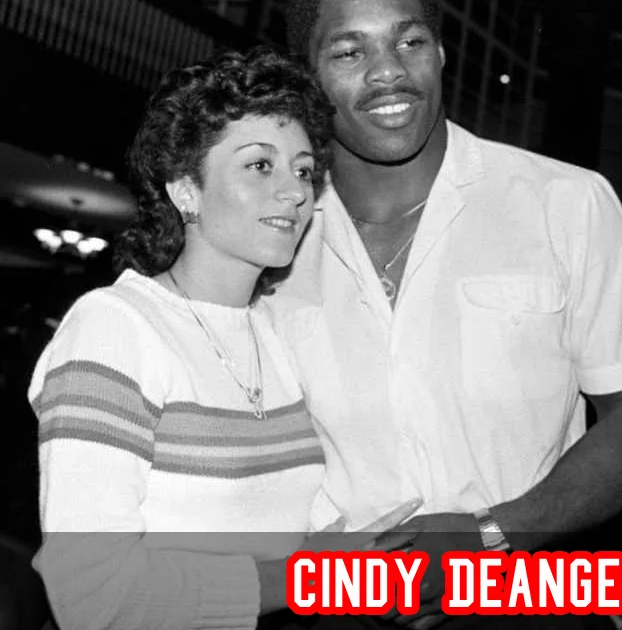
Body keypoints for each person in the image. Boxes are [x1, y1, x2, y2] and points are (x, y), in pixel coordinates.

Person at [264, 0, 622, 624]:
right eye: (349, 53)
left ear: (442, 53)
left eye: (411, 41)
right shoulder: (271, 239)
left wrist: (494, 535)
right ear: (305, 78)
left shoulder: (565, 202)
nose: (389, 73)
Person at [27, 47, 416, 630]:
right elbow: (91, 595)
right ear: (186, 189)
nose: (295, 192)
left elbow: (308, 527)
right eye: (260, 165)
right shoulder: (115, 328)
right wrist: (310, 575)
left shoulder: (273, 334)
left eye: (304, 169)